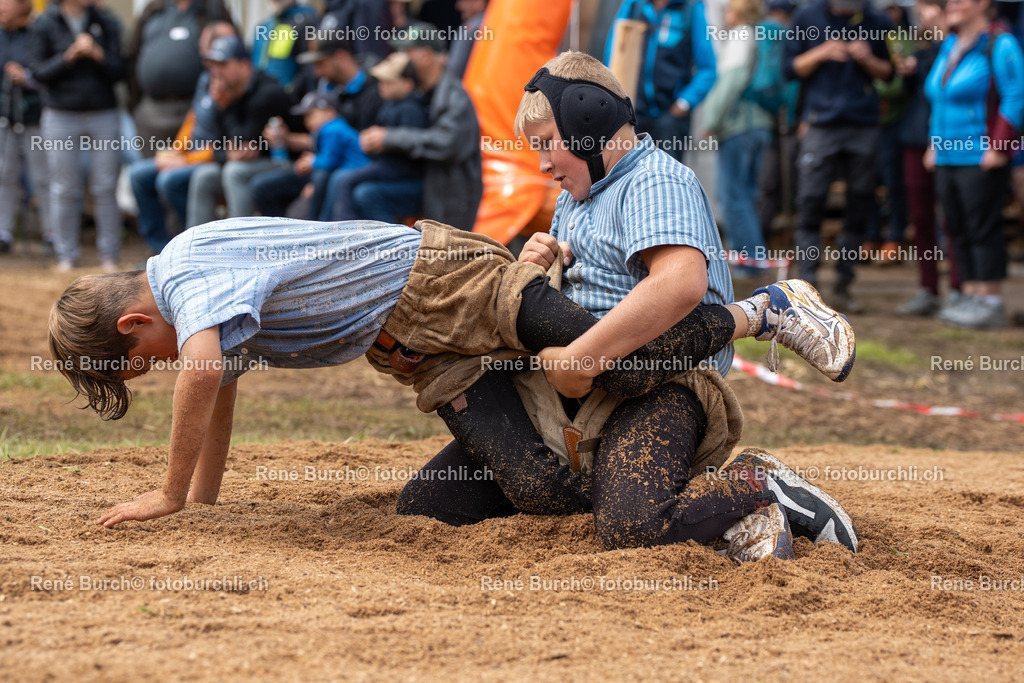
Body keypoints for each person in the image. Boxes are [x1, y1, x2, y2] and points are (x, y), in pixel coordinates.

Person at [50, 208, 854, 533]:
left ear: (134, 323)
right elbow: (218, 381)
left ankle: (765, 308)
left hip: (440, 282)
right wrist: (198, 499)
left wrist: (164, 494)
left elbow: (198, 372)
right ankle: (688, 498)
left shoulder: (183, 274)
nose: (159, 367)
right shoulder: (194, 294)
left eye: (141, 365)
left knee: (609, 356)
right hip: (418, 348)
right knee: (525, 488)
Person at [395, 52, 859, 557]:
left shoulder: (654, 180)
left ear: (587, 121)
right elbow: (576, 296)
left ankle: (758, 484)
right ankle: (701, 513)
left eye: (547, 144)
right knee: (428, 507)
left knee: (632, 527)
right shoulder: (575, 197)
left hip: (662, 384)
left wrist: (582, 357)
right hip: (586, 391)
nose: (543, 164)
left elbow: (680, 282)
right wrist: (540, 266)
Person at [783, 0, 894, 312]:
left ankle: (844, 284)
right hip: (820, 125)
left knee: (860, 205)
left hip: (864, 126)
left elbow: (890, 74)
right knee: (810, 202)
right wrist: (821, 52)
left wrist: (868, 59)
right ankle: (807, 287)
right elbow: (789, 69)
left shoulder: (877, 19)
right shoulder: (807, 16)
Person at [925, 0, 1024, 328]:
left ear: (983, 3)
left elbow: (1016, 95)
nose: (951, 5)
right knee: (956, 226)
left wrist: (999, 146)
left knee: (982, 226)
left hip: (981, 155)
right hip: (946, 155)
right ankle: (969, 295)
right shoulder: (951, 44)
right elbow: (938, 97)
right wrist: (933, 144)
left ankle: (990, 300)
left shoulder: (999, 43)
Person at [356, 23, 482, 230]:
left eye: (407, 51)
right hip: (430, 189)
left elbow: (447, 142)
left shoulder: (454, 96)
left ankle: (396, 247)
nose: (402, 58)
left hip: (452, 197)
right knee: (365, 192)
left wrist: (390, 138)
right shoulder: (421, 91)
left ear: (426, 54)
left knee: (448, 251)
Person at [29, 0, 125, 271]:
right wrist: (69, 55)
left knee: (105, 187)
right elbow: (38, 72)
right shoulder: (45, 23)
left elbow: (120, 71)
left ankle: (110, 255)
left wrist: (97, 54)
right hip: (60, 114)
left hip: (103, 112)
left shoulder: (107, 21)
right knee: (64, 187)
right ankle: (66, 255)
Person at [128, 20, 235, 254]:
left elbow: (225, 145)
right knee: (138, 174)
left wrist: (183, 161)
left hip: (210, 160)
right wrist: (176, 151)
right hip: (191, 156)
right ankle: (159, 248)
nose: (201, 51)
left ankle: (188, 245)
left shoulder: (231, 85)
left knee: (169, 181)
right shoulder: (205, 79)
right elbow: (192, 119)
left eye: (205, 45)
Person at [895, 0, 963, 316]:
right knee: (921, 219)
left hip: (953, 143)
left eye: (928, 9)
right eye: (920, 11)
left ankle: (961, 289)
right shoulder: (920, 49)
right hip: (915, 140)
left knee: (954, 218)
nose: (923, 17)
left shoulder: (961, 48)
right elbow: (911, 93)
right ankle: (928, 289)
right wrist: (907, 71)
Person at [185, 35, 292, 228]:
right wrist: (226, 153)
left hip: (288, 162)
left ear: (244, 65)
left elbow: (243, 142)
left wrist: (227, 104)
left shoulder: (266, 92)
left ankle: (238, 240)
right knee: (204, 176)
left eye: (223, 64)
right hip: (251, 164)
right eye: (214, 65)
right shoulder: (228, 92)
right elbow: (219, 145)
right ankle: (196, 242)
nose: (216, 72)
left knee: (234, 172)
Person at [699, 0, 773, 280]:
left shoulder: (741, 36)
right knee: (747, 195)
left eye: (730, 8)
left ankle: (749, 262)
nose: (726, 13)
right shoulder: (759, 35)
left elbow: (730, 84)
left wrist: (712, 121)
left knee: (732, 196)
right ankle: (755, 258)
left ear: (739, 12)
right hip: (760, 125)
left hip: (739, 127)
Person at [604, 0, 717, 161]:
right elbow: (613, 57)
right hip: (632, 116)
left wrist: (684, 103)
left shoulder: (691, 8)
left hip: (670, 118)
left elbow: (708, 69)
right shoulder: (633, 5)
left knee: (669, 174)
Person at [330, 50, 427, 222]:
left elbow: (413, 152)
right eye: (381, 81)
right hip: (387, 166)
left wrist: (383, 143)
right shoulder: (389, 104)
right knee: (349, 183)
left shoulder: (410, 109)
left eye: (389, 82)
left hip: (403, 172)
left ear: (407, 84)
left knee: (347, 182)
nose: (382, 85)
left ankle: (345, 230)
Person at [125, 0, 231, 156]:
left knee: (189, 166)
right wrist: (135, 104)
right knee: (151, 167)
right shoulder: (153, 10)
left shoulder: (212, 8)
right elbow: (132, 55)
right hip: (152, 112)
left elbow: (230, 53)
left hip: (194, 109)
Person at [250, 91, 368, 219]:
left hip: (352, 170)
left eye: (311, 115)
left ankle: (319, 222)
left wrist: (312, 162)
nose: (306, 121)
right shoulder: (330, 128)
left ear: (330, 112)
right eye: (305, 117)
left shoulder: (332, 129)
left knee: (323, 176)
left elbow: (330, 161)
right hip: (342, 171)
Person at [0, 0, 49, 255]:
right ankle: (4, 232)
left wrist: (26, 77)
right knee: (4, 174)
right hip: (4, 116)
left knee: (42, 176)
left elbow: (49, 71)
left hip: (36, 116)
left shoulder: (39, 30)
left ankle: (51, 233)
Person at [252, 0, 318, 95]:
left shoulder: (306, 21)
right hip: (260, 98)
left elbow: (308, 68)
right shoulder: (264, 27)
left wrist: (288, 95)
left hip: (286, 98)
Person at [446, 0, 486, 80]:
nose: (458, 6)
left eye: (464, 1)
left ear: (479, 2)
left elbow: (455, 69)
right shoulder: (500, 25)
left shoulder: (469, 29)